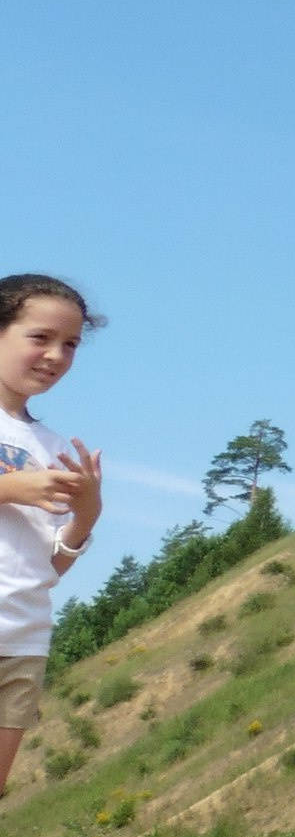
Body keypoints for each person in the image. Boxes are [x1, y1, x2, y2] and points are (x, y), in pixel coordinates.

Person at [0, 275, 105, 803]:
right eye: (40, 338)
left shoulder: (51, 445)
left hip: (20, 640)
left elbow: (47, 568)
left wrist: (86, 516)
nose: (56, 356)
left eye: (70, 345)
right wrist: (10, 487)